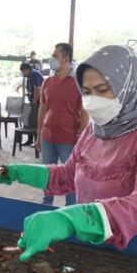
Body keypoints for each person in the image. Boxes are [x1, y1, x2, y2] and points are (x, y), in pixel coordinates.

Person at [0, 45, 137, 261]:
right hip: (89, 243)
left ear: (128, 86)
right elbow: (67, 175)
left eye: (102, 90)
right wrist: (18, 172)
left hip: (131, 249)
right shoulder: (95, 130)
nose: (93, 100)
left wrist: (70, 219)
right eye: (86, 92)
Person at [37, 42, 88, 206]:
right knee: (47, 175)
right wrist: (39, 134)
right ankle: (46, 205)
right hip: (47, 137)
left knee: (70, 176)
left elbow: (84, 111)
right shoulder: (47, 82)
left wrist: (82, 137)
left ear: (66, 59)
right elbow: (42, 108)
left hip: (69, 138)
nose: (52, 59)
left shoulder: (77, 83)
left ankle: (70, 208)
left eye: (55, 56)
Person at [20, 62, 43, 145]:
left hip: (38, 102)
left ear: (27, 70)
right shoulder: (30, 75)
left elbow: (38, 89)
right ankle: (30, 140)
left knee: (35, 121)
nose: (23, 74)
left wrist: (34, 101)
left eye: (23, 72)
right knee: (30, 120)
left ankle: (37, 141)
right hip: (33, 101)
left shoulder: (34, 74)